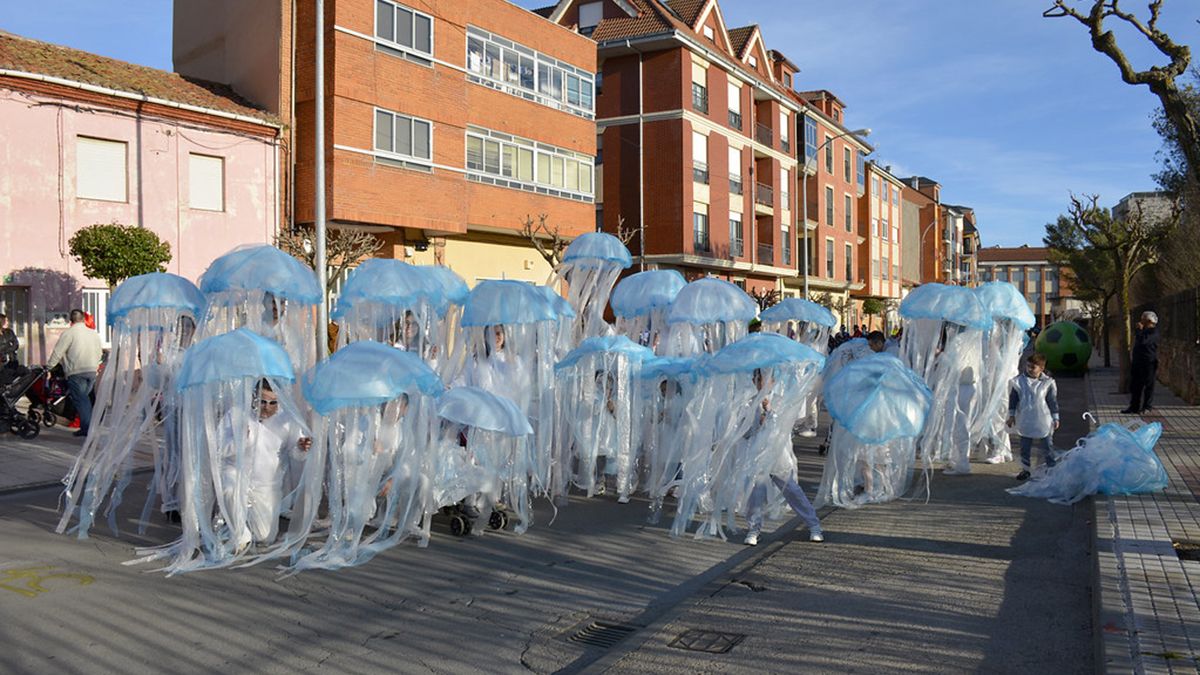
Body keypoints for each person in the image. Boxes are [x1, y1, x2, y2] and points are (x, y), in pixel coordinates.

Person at [218, 379, 311, 552]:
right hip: (236, 475)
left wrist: (301, 447)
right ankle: (239, 532)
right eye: (262, 401)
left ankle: (237, 524)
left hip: (266, 487)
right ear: (254, 398)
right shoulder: (236, 414)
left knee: (264, 537)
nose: (267, 407)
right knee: (229, 489)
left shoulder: (287, 420)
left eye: (273, 402)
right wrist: (239, 440)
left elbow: (295, 454)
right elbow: (219, 449)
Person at [743, 368, 823, 546]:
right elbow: (745, 432)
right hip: (757, 454)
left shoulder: (780, 401)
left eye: (764, 379)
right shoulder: (749, 403)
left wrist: (770, 412)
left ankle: (813, 524)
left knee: (792, 490)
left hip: (778, 453)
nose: (760, 383)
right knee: (755, 493)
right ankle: (754, 528)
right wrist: (756, 423)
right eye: (757, 379)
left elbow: (786, 427)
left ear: (773, 381)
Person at [47, 309, 103, 437]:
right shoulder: (93, 334)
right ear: (83, 319)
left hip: (76, 371)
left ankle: (88, 429)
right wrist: (95, 364)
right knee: (86, 399)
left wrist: (49, 366)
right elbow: (100, 352)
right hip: (91, 371)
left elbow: (58, 352)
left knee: (81, 400)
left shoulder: (68, 334)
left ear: (70, 321)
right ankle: (86, 427)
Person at [1007, 353, 1059, 481]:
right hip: (1026, 418)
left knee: (1047, 445)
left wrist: (1055, 417)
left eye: (1033, 367)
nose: (1029, 369)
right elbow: (1013, 399)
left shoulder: (1047, 382)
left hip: (1043, 418)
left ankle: (1051, 469)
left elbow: (1052, 401)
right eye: (1028, 366)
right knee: (1025, 446)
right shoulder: (1019, 382)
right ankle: (1025, 469)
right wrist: (1011, 415)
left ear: (1041, 368)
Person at [1122, 311, 1159, 415]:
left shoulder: (1153, 332)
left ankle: (1147, 406)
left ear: (1149, 321)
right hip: (1137, 362)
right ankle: (1134, 406)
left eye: (1143, 320)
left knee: (1148, 385)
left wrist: (1139, 330)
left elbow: (1143, 341)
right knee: (1135, 386)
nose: (1141, 322)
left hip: (1148, 363)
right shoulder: (1143, 331)